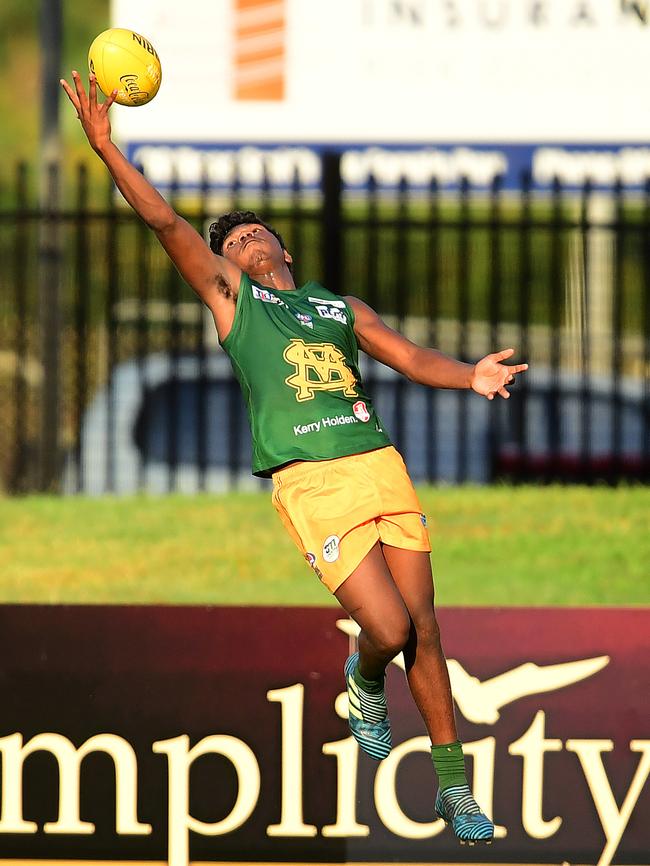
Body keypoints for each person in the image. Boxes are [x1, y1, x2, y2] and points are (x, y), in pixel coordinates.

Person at [61, 71, 528, 846]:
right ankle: (365, 680)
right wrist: (109, 150)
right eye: (231, 243)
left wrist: (471, 374)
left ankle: (455, 788)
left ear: (283, 245)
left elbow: (409, 355)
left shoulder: (339, 308)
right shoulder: (232, 301)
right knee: (383, 629)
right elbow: (167, 223)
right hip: (311, 482)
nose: (241, 242)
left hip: (377, 462)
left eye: (252, 234)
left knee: (427, 629)